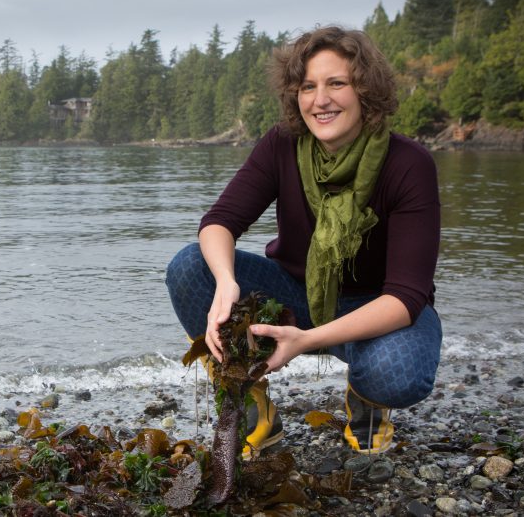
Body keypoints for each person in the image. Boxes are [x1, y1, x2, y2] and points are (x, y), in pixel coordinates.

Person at [166, 25, 442, 455]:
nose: (320, 100)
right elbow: (219, 221)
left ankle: (368, 399)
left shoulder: (409, 165)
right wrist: (226, 282)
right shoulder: (282, 144)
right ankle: (252, 402)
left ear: (366, 90)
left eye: (337, 83)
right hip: (294, 296)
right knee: (189, 267)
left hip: (377, 311)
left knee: (397, 373)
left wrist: (307, 341)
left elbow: (407, 297)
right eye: (308, 86)